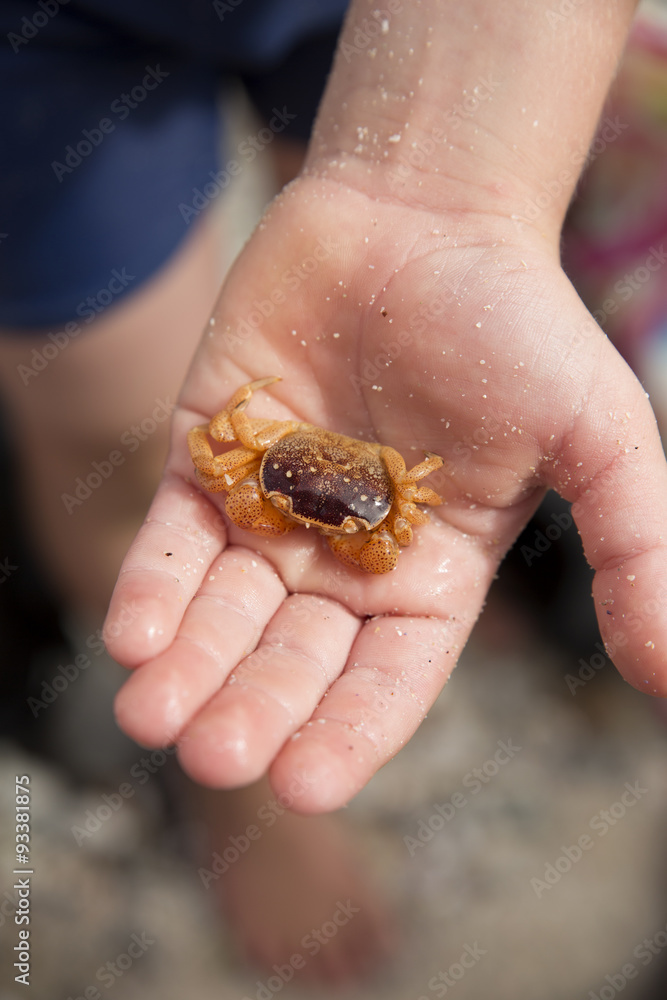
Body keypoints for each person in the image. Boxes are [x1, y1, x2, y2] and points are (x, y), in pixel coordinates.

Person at [2, 0, 666, 984]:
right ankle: (224, 781)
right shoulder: (254, 462)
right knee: (119, 443)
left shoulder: (386, 491)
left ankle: (447, 596)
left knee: (353, 269)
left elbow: (393, 495)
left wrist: (448, 197)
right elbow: (266, 469)